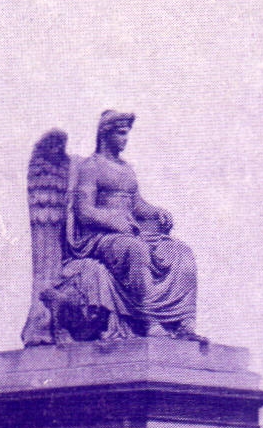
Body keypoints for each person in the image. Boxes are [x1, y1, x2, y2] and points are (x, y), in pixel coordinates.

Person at [70, 110, 200, 339]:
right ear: (105, 134)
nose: (125, 139)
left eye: (127, 134)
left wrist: (157, 211)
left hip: (130, 233)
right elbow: (84, 211)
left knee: (181, 252)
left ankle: (183, 322)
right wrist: (113, 221)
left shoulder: (126, 168)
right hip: (100, 238)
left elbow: (137, 205)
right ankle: (148, 321)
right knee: (136, 251)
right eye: (121, 133)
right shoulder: (91, 167)